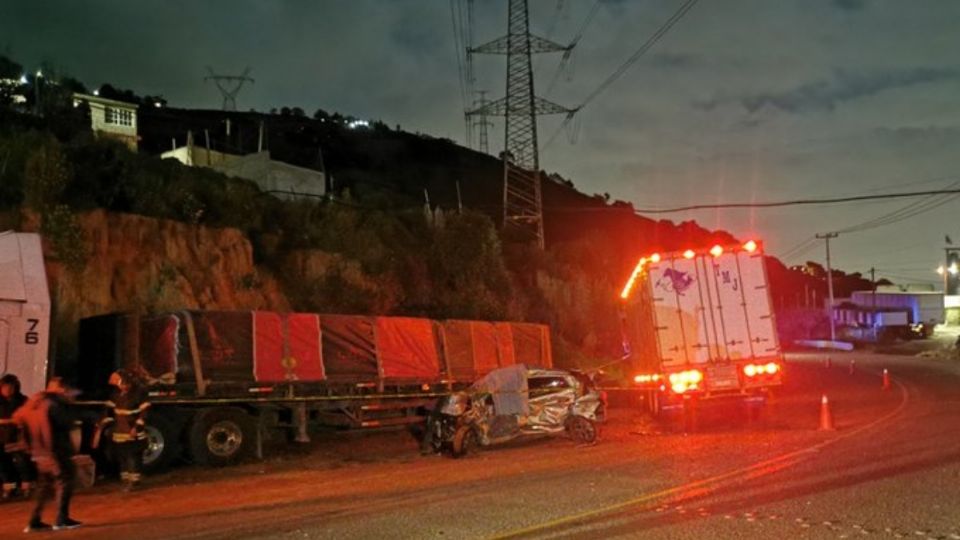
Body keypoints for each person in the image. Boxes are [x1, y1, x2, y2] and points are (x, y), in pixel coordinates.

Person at [13, 377, 82, 532]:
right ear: (61, 389)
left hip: (38, 452)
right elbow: (67, 422)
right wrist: (69, 405)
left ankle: (34, 521)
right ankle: (61, 519)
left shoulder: (34, 401)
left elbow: (17, 417)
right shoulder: (55, 404)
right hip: (55, 450)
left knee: (44, 486)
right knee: (64, 481)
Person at [101, 369, 150, 491]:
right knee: (123, 456)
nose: (123, 386)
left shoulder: (138, 395)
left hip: (132, 431)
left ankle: (134, 481)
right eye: (121, 384)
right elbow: (109, 410)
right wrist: (104, 424)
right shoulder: (116, 394)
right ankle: (126, 480)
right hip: (120, 431)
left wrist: (136, 428)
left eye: (124, 384)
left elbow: (143, 414)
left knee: (132, 456)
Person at [0, 374, 32, 500]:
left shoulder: (22, 400)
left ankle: (26, 487)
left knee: (22, 462)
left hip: (18, 437)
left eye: (11, 387)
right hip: (2, 437)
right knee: (3, 463)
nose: (8, 390)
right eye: (5, 387)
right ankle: (9, 487)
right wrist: (7, 421)